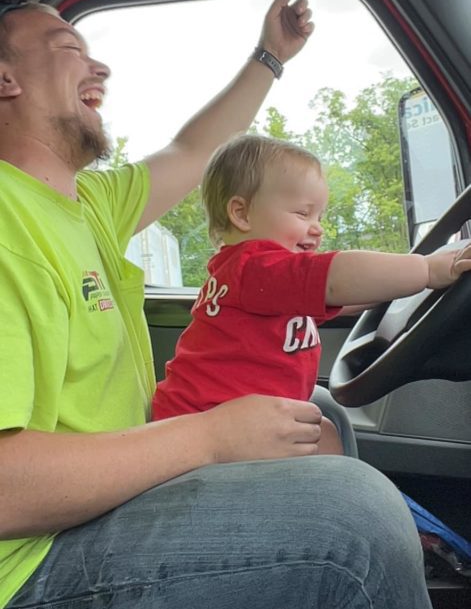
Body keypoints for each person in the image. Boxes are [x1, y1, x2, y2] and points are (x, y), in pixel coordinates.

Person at [0, 0, 469, 609]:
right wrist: (209, 437)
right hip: (22, 586)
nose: (100, 65)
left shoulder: (83, 204)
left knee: (319, 413)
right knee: (351, 523)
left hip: (83, 519)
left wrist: (269, 58)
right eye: (69, 46)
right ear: (5, 78)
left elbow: (193, 150)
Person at [152, 133, 471, 458]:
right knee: (324, 437)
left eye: (319, 216)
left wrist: (392, 289)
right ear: (242, 214)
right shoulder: (255, 266)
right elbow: (338, 278)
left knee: (325, 432)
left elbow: (342, 297)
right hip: (207, 428)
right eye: (303, 214)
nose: (317, 228)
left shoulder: (267, 282)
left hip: (220, 418)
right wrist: (427, 271)